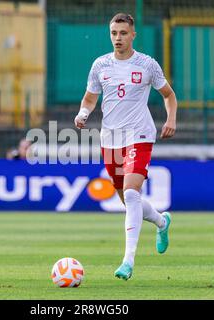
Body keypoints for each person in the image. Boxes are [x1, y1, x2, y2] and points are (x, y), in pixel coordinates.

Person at [74, 13, 178, 280]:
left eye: (122, 33)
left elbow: (168, 95)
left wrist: (171, 118)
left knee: (132, 194)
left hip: (139, 135)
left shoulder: (147, 64)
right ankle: (161, 221)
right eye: (113, 33)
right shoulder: (100, 65)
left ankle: (127, 261)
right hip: (110, 140)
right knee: (128, 199)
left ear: (133, 35)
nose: (117, 38)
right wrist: (83, 115)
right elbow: (89, 99)